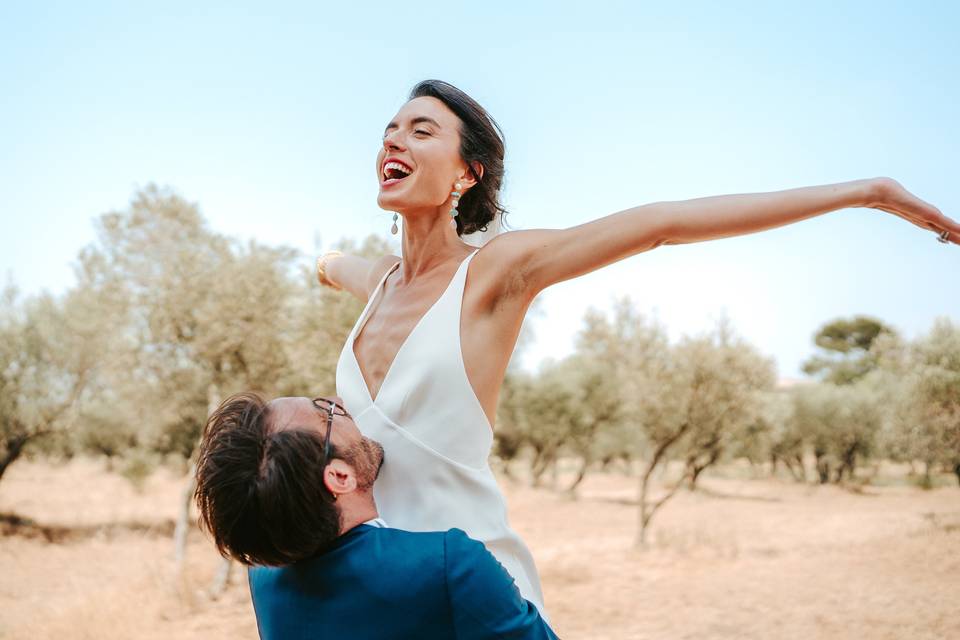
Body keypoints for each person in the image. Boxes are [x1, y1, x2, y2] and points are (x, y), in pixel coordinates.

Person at [318, 79, 959, 612]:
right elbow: (334, 263)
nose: (394, 140)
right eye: (390, 130)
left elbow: (663, 224)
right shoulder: (378, 283)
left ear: (467, 173)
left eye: (421, 130)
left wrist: (866, 193)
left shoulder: (494, 271)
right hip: (374, 591)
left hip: (475, 595)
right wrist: (324, 261)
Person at [194, 391, 558, 640]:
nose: (340, 402)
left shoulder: (265, 578)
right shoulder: (450, 564)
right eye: (327, 414)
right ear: (339, 476)